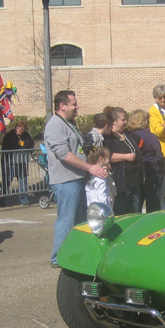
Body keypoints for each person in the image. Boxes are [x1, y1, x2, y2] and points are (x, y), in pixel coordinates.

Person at [44, 90, 107, 267]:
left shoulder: (69, 123)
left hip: (77, 177)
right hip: (66, 180)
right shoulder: (55, 125)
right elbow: (64, 154)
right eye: (74, 104)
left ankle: (75, 253)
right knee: (67, 218)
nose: (77, 106)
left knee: (79, 219)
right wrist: (89, 167)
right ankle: (58, 257)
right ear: (62, 106)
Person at [104, 107, 143, 215]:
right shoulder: (108, 138)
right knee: (121, 213)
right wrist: (126, 157)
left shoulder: (128, 135)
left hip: (134, 182)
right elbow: (107, 156)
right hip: (121, 184)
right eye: (123, 120)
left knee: (135, 213)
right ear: (114, 122)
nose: (125, 122)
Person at [125, 109, 163, 213]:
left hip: (134, 175)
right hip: (152, 173)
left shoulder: (126, 136)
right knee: (153, 205)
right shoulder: (151, 137)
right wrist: (160, 169)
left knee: (135, 206)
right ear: (144, 121)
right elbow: (159, 156)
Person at [0, 120, 35, 206]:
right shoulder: (10, 135)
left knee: (23, 180)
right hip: (9, 161)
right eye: (18, 128)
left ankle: (24, 199)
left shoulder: (27, 136)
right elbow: (5, 147)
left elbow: (30, 145)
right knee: (7, 180)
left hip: (21, 161)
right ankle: (0, 199)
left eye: (21, 129)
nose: (19, 130)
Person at [148, 84, 165, 175]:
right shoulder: (153, 111)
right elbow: (157, 130)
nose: (163, 100)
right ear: (155, 97)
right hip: (161, 151)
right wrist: (163, 129)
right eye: (160, 98)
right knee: (164, 177)